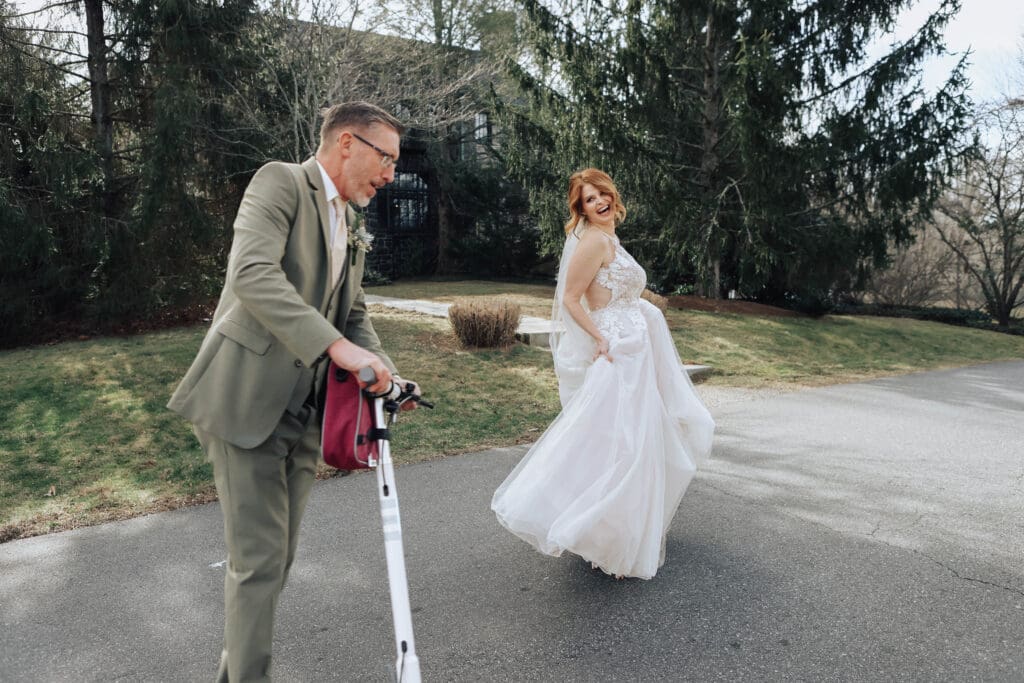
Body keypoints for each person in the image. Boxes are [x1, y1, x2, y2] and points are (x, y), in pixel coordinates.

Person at [168, 101, 418, 681]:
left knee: (274, 563)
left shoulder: (348, 221)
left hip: (306, 415)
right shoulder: (280, 182)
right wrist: (338, 349)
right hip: (246, 402)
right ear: (347, 143)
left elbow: (353, 313)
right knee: (258, 564)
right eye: (386, 159)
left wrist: (386, 371)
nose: (390, 175)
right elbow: (252, 274)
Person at [491, 168, 715, 580]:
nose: (599, 202)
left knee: (636, 438)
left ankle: (616, 532)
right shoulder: (593, 241)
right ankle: (603, 535)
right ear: (582, 210)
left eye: (602, 193)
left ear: (613, 194)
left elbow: (623, 294)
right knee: (618, 441)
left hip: (636, 347)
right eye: (589, 199)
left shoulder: (612, 239)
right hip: (616, 350)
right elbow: (571, 298)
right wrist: (599, 338)